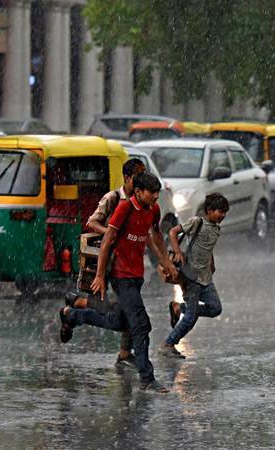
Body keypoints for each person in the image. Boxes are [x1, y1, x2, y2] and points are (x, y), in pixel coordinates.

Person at [59, 172, 179, 393]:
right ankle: (147, 378)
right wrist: (100, 276)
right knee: (141, 325)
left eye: (157, 193)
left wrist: (166, 263)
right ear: (139, 191)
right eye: (151, 193)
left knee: (120, 322)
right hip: (120, 275)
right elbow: (107, 241)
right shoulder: (124, 208)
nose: (155, 196)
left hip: (136, 275)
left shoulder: (153, 209)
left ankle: (73, 315)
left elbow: (156, 237)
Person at [65, 158, 147, 369]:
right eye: (138, 176)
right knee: (115, 308)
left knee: (131, 308)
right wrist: (112, 233)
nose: (142, 181)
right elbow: (92, 221)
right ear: (127, 178)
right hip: (108, 262)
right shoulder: (113, 198)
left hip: (128, 265)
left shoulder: (141, 202)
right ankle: (74, 309)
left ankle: (124, 352)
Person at [162, 193, 228, 359]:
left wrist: (212, 262)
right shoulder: (196, 222)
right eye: (220, 211)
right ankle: (168, 344)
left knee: (215, 308)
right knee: (191, 318)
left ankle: (178, 308)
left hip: (206, 276)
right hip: (191, 276)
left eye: (225, 212)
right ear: (209, 210)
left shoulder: (216, 228)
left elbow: (208, 247)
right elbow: (172, 232)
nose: (223, 215)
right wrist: (177, 252)